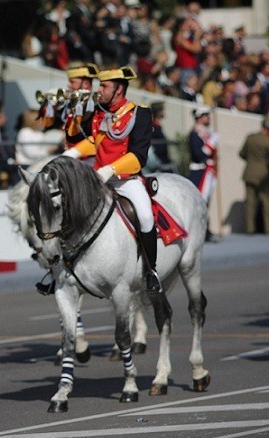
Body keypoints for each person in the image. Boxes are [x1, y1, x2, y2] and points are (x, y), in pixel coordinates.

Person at [63, 66, 161, 293]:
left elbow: (138, 157)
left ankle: (151, 271)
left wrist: (109, 170)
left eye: (104, 86)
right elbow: (89, 140)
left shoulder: (140, 113)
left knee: (146, 216)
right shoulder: (97, 111)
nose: (100, 90)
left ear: (119, 88)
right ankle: (62, 265)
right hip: (99, 177)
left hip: (126, 179)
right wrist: (74, 153)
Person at [239, 117, 269, 234]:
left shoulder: (250, 138)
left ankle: (249, 228)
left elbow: (242, 154)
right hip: (264, 176)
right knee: (266, 202)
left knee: (250, 203)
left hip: (249, 173)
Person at [187, 106, 219, 241]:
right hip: (198, 173)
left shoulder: (206, 133)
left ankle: (205, 230)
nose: (208, 118)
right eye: (205, 115)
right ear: (199, 118)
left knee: (205, 203)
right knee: (199, 202)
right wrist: (210, 144)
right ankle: (199, 231)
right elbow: (198, 155)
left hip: (207, 172)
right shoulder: (195, 134)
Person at [144, 101, 176, 174]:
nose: (163, 112)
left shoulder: (157, 126)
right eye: (162, 110)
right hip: (158, 162)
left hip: (163, 159)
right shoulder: (153, 126)